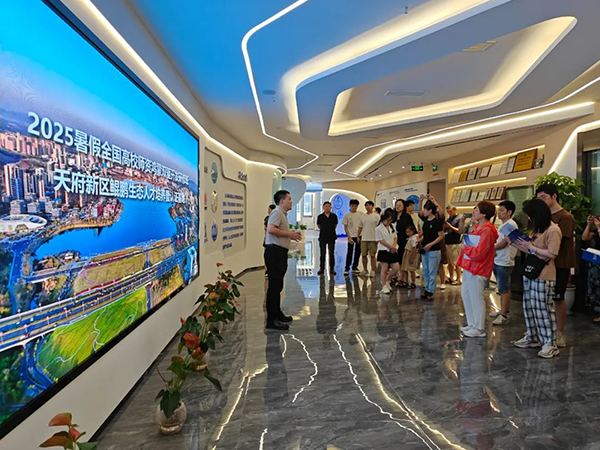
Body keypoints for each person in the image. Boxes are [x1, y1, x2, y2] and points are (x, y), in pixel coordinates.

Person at [510, 198, 562, 358]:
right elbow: (531, 251)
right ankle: (532, 336)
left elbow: (552, 253)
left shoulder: (553, 230)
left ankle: (550, 343)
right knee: (529, 307)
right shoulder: (537, 229)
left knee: (543, 309)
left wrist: (531, 247)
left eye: (530, 215)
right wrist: (514, 243)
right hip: (531, 271)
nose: (528, 218)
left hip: (544, 274)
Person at [536, 183, 575, 348]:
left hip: (560, 263)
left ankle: (560, 332)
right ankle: (543, 331)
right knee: (542, 298)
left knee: (558, 297)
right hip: (543, 262)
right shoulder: (542, 216)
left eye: (543, 197)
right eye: (538, 198)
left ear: (554, 196)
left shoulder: (566, 217)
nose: (541, 201)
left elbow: (558, 242)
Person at [456, 201, 498, 338]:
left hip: (478, 268)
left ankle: (479, 327)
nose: (474, 212)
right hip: (470, 266)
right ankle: (472, 323)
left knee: (476, 297)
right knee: (467, 295)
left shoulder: (487, 230)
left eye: (477, 210)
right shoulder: (478, 227)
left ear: (484, 214)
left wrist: (465, 248)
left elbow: (480, 252)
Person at [264, 190, 302, 331]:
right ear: (281, 201)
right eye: (289, 199)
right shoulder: (277, 212)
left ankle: (277, 313)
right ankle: (271, 320)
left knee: (278, 286)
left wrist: (289, 235)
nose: (291, 201)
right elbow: (271, 229)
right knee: (274, 287)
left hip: (279, 252)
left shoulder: (281, 213)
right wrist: (289, 234)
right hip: (274, 252)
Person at [490, 201, 518, 326]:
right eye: (499, 210)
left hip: (505, 261)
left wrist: (490, 248)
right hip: (499, 259)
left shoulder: (510, 224)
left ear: (509, 212)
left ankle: (504, 314)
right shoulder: (504, 224)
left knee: (504, 288)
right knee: (502, 288)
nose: (499, 212)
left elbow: (504, 243)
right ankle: (504, 309)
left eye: (502, 210)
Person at [418, 199, 445, 301]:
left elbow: (441, 236)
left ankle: (431, 290)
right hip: (425, 249)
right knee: (425, 270)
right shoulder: (425, 222)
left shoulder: (437, 222)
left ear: (430, 211)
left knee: (432, 271)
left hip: (434, 250)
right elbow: (425, 235)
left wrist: (431, 244)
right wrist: (420, 240)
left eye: (425, 209)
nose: (424, 211)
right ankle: (426, 288)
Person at [375, 211, 399, 295]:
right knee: (384, 268)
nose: (389, 222)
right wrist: (390, 246)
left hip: (393, 250)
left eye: (390, 220)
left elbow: (395, 237)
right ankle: (384, 285)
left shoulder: (392, 226)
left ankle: (388, 280)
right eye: (387, 220)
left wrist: (394, 246)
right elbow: (380, 240)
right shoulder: (378, 228)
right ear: (383, 220)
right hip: (383, 250)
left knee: (396, 267)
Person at [583, 215, 600, 322]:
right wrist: (589, 225)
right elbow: (584, 237)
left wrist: (599, 228)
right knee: (596, 287)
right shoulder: (595, 230)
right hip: (597, 261)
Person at [394, 199, 415, 287]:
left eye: (400, 205)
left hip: (404, 241)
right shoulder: (393, 216)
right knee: (398, 261)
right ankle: (400, 278)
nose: (398, 207)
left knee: (404, 261)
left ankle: (405, 279)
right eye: (397, 205)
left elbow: (412, 229)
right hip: (395, 241)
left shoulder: (406, 216)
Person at [358, 201, 379, 277]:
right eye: (366, 205)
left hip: (373, 238)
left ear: (372, 206)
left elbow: (379, 228)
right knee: (363, 255)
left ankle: (373, 270)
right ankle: (365, 270)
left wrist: (378, 238)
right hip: (364, 238)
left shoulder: (376, 216)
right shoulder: (362, 216)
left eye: (369, 205)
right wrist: (358, 236)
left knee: (372, 255)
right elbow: (360, 227)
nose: (368, 207)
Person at [317, 201, 338, 276]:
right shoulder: (320, 216)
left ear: (331, 207)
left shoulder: (334, 216)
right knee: (322, 253)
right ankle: (321, 268)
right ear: (323, 207)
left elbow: (335, 225)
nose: (327, 208)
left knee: (331, 253)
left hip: (331, 236)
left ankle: (332, 268)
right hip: (323, 237)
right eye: (326, 206)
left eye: (329, 206)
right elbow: (319, 225)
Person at [343, 199, 362, 275]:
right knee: (349, 252)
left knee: (358, 252)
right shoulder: (347, 215)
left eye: (355, 205)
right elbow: (345, 227)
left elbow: (362, 226)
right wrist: (349, 237)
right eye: (352, 205)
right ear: (350, 206)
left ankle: (355, 267)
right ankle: (347, 268)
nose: (354, 207)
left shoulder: (361, 214)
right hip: (351, 236)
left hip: (359, 236)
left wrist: (358, 236)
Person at [444, 205, 463, 285]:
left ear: (455, 210)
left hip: (455, 243)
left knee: (456, 262)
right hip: (448, 242)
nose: (449, 213)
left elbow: (459, 230)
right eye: (448, 212)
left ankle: (458, 279)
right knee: (449, 262)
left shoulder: (459, 219)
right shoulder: (448, 219)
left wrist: (450, 226)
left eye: (450, 211)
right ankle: (451, 277)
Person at [263, 204, 276, 277]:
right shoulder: (267, 219)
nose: (268, 211)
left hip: (273, 240)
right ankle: (266, 270)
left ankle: (271, 270)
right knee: (266, 255)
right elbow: (265, 229)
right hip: (267, 239)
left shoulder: (275, 218)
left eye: (269, 209)